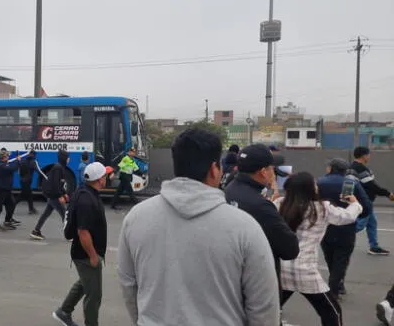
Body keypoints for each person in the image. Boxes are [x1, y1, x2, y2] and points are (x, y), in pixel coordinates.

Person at [117, 129, 279, 326]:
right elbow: (263, 306)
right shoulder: (244, 227)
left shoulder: (135, 218)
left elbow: (129, 286)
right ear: (214, 169)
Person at [276, 171, 364, 326]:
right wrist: (355, 204)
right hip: (305, 270)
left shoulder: (280, 204)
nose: (317, 186)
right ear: (309, 188)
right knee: (331, 311)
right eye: (314, 184)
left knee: (272, 307)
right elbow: (346, 217)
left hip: (281, 267)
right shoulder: (322, 208)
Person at [224, 144, 300, 305]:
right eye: (272, 169)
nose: (274, 174)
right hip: (256, 286)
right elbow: (290, 249)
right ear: (263, 172)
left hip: (231, 280)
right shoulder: (261, 206)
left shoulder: (230, 189)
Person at [52, 162, 112, 326]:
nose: (107, 178)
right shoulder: (87, 199)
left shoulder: (85, 191)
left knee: (85, 283)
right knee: (94, 295)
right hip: (86, 254)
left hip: (84, 252)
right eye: (105, 175)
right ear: (100, 180)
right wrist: (93, 256)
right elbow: (82, 232)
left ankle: (63, 311)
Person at [318, 158, 372, 299]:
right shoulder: (352, 183)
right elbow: (366, 207)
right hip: (346, 228)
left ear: (330, 168)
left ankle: (336, 283)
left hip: (325, 226)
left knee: (329, 256)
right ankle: (335, 287)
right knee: (341, 258)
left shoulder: (319, 182)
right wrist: (356, 214)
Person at [348, 146, 394, 255]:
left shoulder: (351, 167)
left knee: (372, 223)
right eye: (368, 154)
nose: (369, 156)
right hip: (364, 201)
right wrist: (388, 194)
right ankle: (337, 237)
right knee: (359, 225)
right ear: (364, 156)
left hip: (362, 201)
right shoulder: (361, 169)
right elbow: (372, 186)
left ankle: (374, 246)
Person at [31, 150, 70, 241]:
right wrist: (60, 196)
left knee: (46, 213)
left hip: (53, 195)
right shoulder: (58, 168)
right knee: (65, 214)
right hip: (54, 196)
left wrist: (64, 193)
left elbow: (60, 183)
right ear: (64, 158)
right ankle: (69, 234)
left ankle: (36, 231)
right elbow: (55, 184)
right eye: (68, 157)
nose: (69, 159)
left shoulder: (60, 167)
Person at [17, 150, 38, 215]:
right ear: (34, 155)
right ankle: (11, 206)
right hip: (27, 182)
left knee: (29, 196)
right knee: (21, 197)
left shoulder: (23, 161)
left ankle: (31, 209)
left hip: (23, 181)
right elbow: (38, 170)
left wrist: (19, 160)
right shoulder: (33, 162)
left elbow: (20, 170)